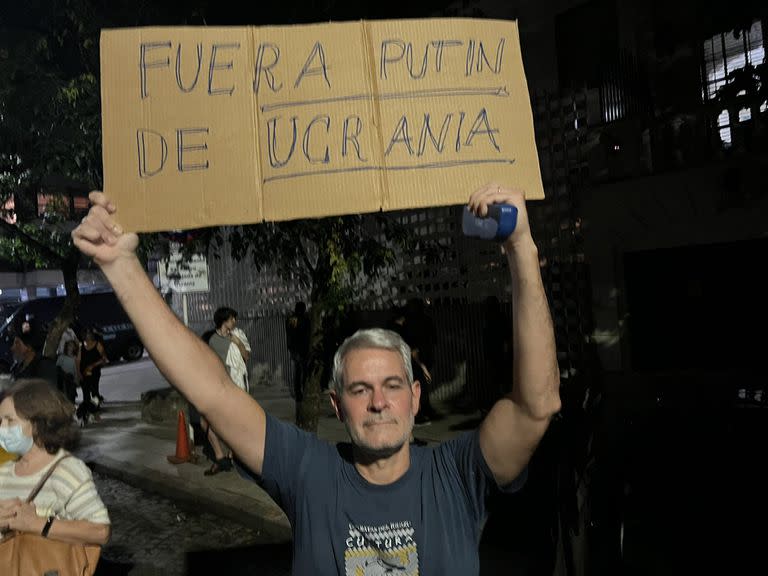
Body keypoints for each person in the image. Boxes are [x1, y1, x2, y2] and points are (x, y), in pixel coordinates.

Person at [72, 185, 561, 575]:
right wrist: (122, 266)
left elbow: (536, 406)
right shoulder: (308, 471)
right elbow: (214, 393)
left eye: (392, 386)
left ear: (415, 398)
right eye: (359, 389)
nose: (377, 403)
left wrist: (520, 246)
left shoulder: (457, 475)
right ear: (335, 403)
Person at [0, 379, 110, 547]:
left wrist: (36, 523)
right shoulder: (4, 472)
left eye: (10, 420)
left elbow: (100, 532)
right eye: (0, 421)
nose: (2, 428)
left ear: (38, 424)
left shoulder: (67, 470)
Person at [76, 329, 108, 426]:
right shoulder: (81, 346)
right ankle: (86, 415)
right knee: (86, 395)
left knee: (95, 394)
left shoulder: (97, 345)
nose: (88, 336)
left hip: (94, 373)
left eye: (89, 334)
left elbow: (104, 359)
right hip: (84, 373)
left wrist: (93, 365)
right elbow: (77, 361)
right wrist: (78, 374)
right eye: (86, 334)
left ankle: (96, 414)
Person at [286, 301, 310, 400]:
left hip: (297, 349)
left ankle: (299, 393)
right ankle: (300, 393)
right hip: (299, 349)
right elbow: (293, 333)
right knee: (301, 371)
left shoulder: (294, 318)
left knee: (299, 371)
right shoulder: (300, 319)